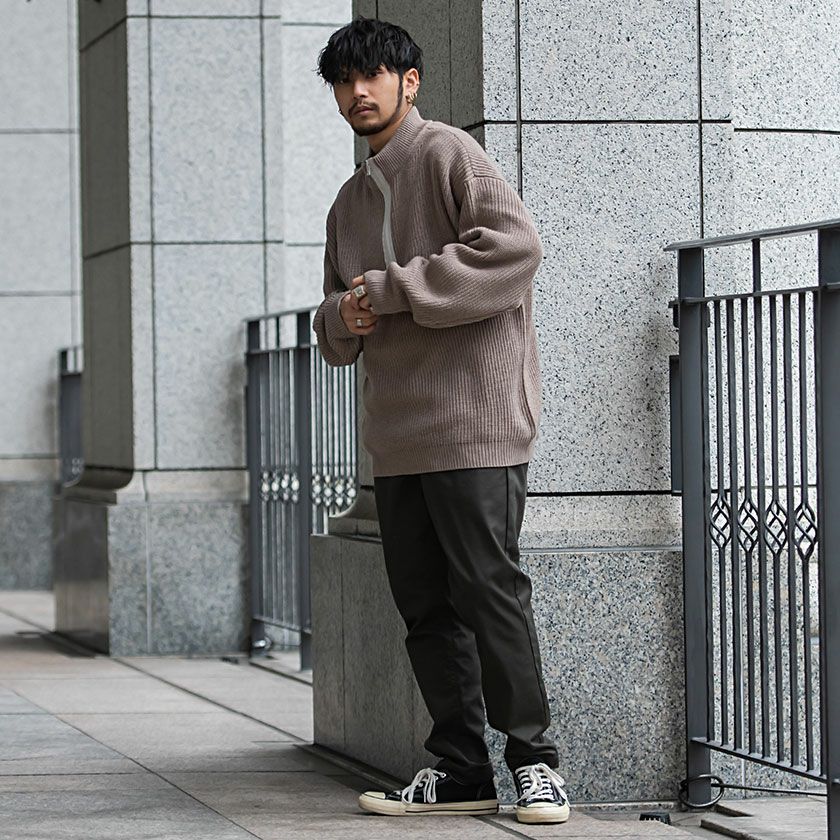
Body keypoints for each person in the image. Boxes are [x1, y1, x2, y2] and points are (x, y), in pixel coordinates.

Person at [313, 15, 569, 826]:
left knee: (490, 591)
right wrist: (342, 316)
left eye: (372, 76)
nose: (358, 92)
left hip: (475, 422)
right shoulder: (349, 202)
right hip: (398, 437)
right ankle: (461, 768)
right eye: (344, 81)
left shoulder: (451, 153)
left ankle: (535, 763)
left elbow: (515, 249)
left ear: (409, 81)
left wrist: (391, 289)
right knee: (425, 609)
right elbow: (333, 318)